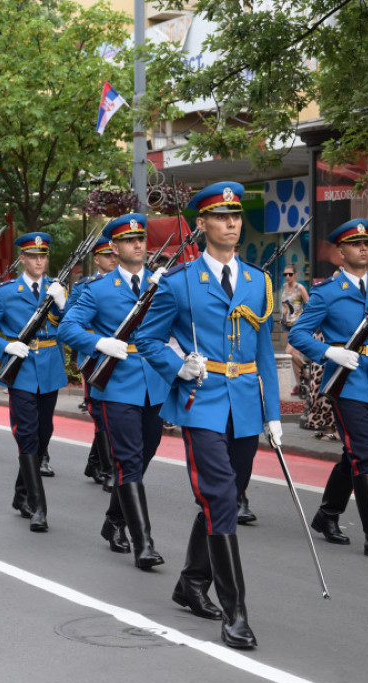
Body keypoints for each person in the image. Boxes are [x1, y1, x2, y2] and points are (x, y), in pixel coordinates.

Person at [137, 181, 281, 649]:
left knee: (227, 495)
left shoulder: (258, 281)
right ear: (202, 224)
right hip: (202, 402)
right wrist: (179, 366)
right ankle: (236, 612)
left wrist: (273, 413)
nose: (232, 223)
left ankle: (191, 581)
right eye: (221, 216)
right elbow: (147, 339)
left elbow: (262, 351)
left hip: (244, 406)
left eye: (236, 215)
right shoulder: (180, 283)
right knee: (221, 499)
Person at [289, 218, 368, 560]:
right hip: (347, 384)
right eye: (356, 244)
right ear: (341, 252)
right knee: (365, 456)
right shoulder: (327, 293)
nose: (363, 248)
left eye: (366, 244)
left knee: (354, 453)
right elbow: (298, 335)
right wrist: (329, 352)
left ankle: (327, 515)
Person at [60, 216, 170, 570]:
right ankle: (144, 543)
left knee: (144, 455)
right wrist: (99, 343)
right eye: (129, 240)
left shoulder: (161, 286)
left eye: (141, 239)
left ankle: (113, 521)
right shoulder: (98, 289)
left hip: (155, 383)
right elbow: (68, 327)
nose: (138, 245)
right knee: (129, 459)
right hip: (118, 384)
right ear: (115, 248)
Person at [0, 232, 69, 533]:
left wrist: (64, 306)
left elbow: (74, 329)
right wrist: (5, 347)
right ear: (23, 259)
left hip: (50, 368)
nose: (39, 261)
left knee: (44, 432)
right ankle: (38, 506)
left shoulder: (57, 289)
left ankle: (21, 492)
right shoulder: (5, 292)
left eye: (43, 256)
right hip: (22, 369)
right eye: (33, 256)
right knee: (26, 432)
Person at [74, 236, 118, 490]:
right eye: (107, 255)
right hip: (94, 356)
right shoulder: (84, 287)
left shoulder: (125, 284)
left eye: (114, 254)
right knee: (100, 412)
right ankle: (109, 468)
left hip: (120, 357)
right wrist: (98, 341)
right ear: (97, 259)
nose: (113, 259)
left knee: (111, 412)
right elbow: (72, 321)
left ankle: (95, 462)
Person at [281, 263, 309, 395]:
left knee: (289, 352)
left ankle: (307, 373)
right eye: (285, 274)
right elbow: (284, 305)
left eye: (290, 274)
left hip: (298, 325)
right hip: (286, 324)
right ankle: (299, 386)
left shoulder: (300, 288)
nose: (287, 277)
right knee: (293, 355)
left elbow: (310, 306)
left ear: (295, 275)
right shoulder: (284, 287)